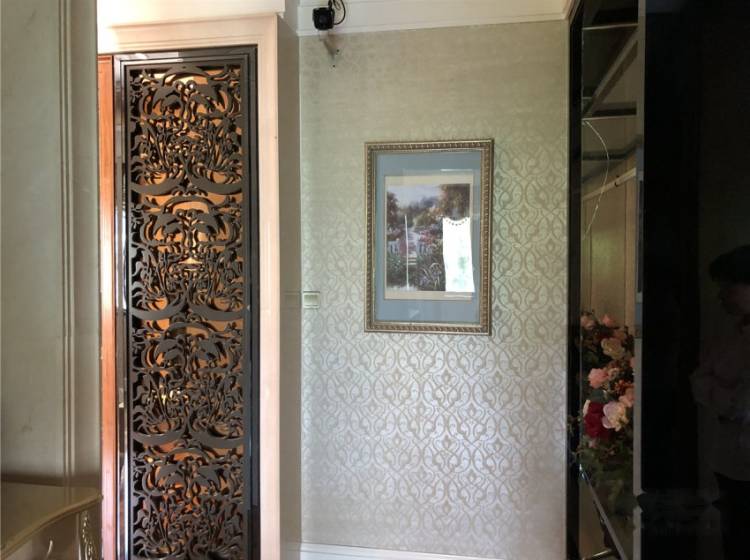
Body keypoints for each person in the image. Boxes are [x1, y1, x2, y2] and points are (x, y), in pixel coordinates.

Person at [691, 245, 750, 560]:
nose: (721, 296)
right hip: (728, 460)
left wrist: (727, 399)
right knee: (734, 539)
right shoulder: (729, 335)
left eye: (728, 287)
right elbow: (698, 381)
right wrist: (730, 399)